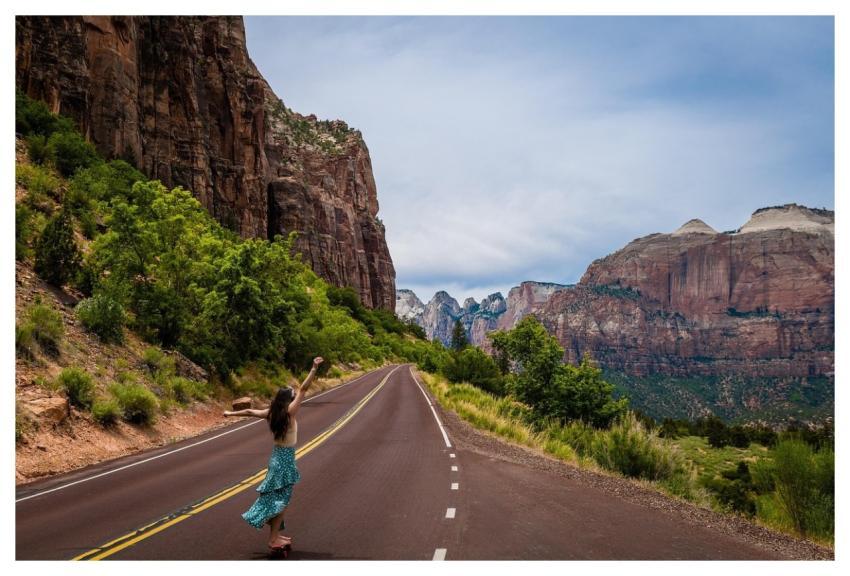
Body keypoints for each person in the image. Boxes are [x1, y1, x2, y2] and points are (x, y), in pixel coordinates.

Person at [223, 356, 324, 551]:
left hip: (276, 458)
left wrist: (230, 413)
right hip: (284, 461)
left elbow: (251, 412)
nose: (295, 396)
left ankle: (276, 535)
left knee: (278, 500)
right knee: (282, 501)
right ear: (288, 400)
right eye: (292, 396)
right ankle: (273, 539)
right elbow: (303, 389)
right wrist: (313, 368)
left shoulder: (272, 413)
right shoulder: (289, 413)